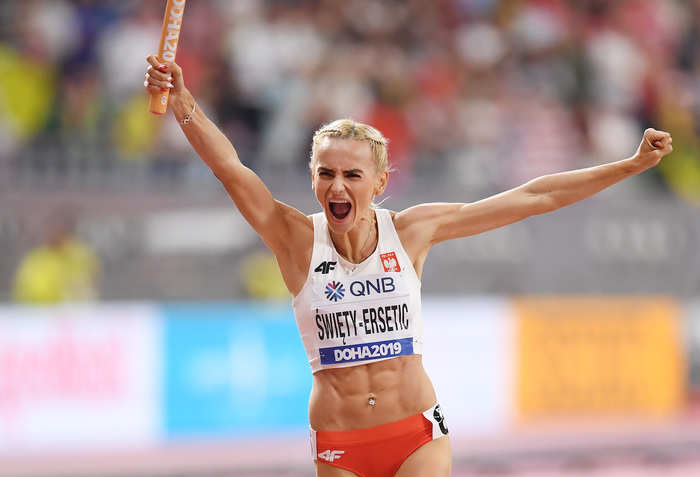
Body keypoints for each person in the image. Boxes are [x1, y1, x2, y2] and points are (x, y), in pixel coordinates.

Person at [144, 55, 673, 477]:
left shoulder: (413, 230)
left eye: (352, 175)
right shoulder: (295, 238)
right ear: (312, 178)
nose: (337, 186)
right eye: (325, 173)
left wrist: (629, 165)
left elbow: (536, 196)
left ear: (378, 183)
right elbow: (231, 170)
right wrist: (185, 103)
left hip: (416, 435)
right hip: (339, 443)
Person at [12, 212, 100, 305]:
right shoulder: (35, 258)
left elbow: (87, 284)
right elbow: (23, 287)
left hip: (73, 313)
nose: (53, 234)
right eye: (50, 230)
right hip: (36, 312)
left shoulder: (82, 256)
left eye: (58, 230)